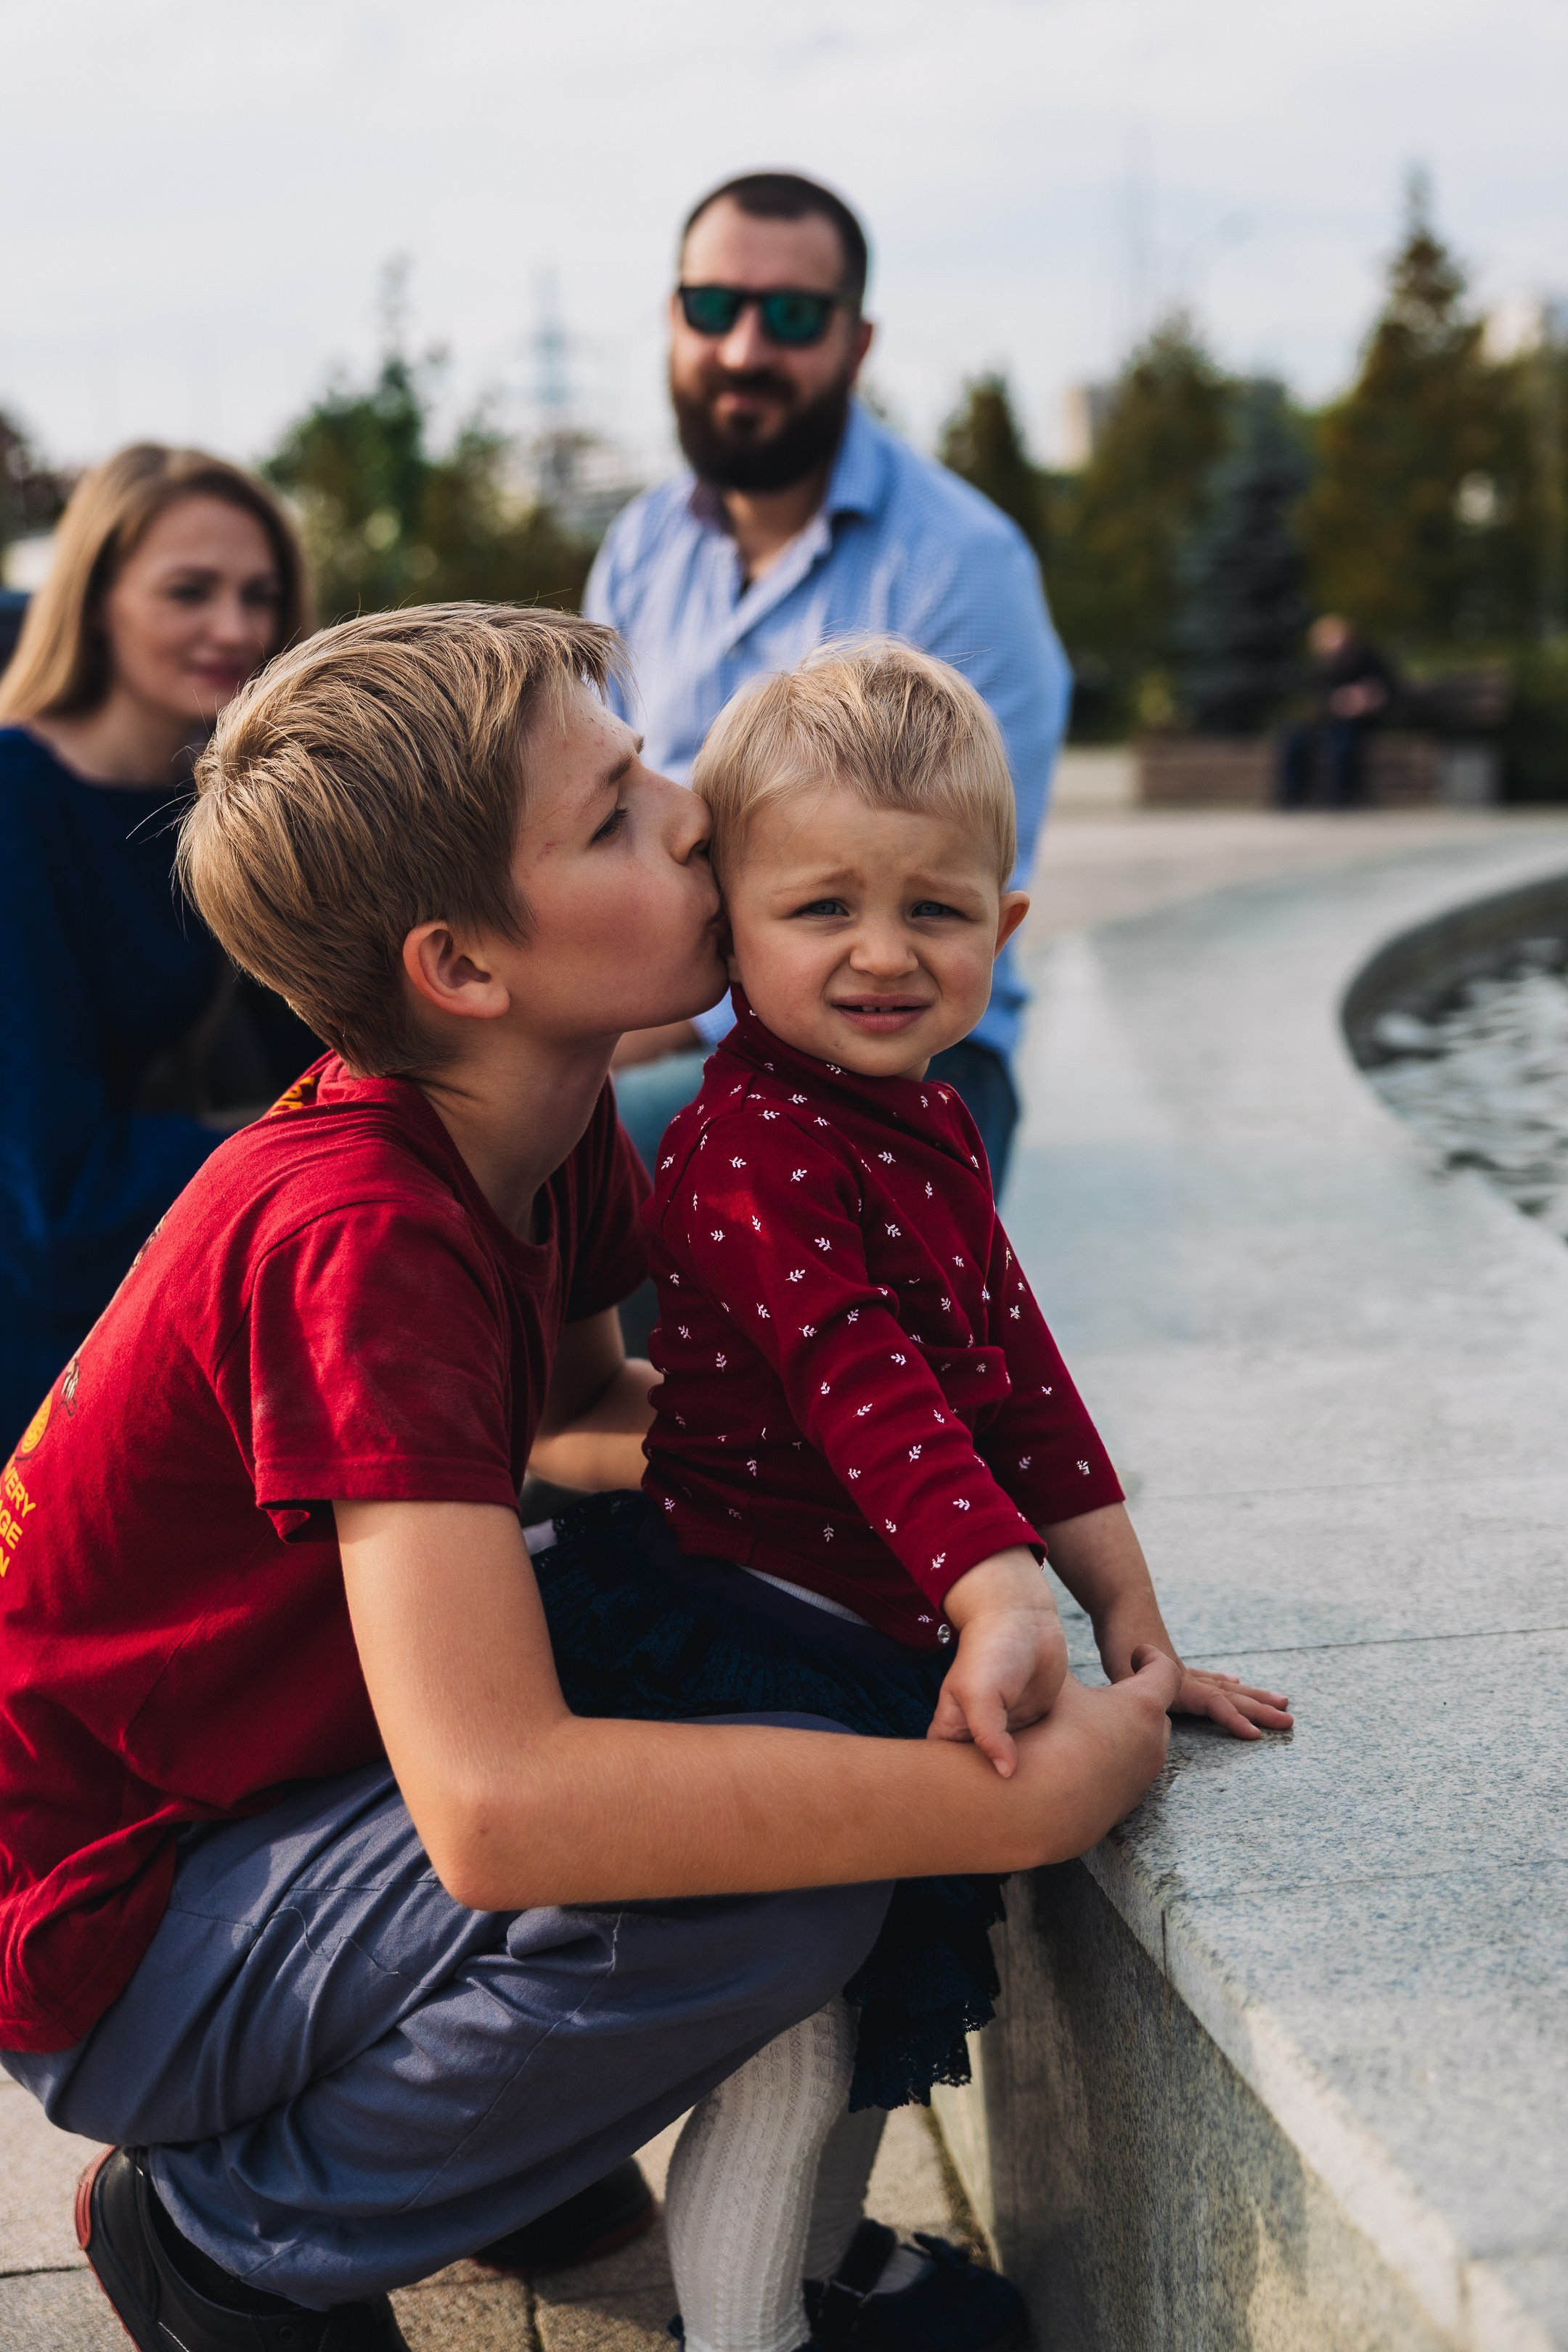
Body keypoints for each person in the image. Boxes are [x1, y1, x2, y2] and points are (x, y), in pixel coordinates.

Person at [0, 605, 1184, 2352]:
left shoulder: (527, 1147)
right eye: (618, 809)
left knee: (697, 1639)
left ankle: (497, 2149)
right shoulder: (361, 1237)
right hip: (117, 1922)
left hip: (254, 1800)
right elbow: (498, 1809)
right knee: (770, 1888)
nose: (695, 806)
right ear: (464, 968)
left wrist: (925, 1518)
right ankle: (229, 2227)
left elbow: (587, 1421)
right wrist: (1010, 1801)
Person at [532, 643, 1291, 2352]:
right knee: (791, 2027)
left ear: (1002, 933)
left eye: (933, 909)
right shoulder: (743, 1146)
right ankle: (749, 2328)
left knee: (883, 2009)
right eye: (821, 906)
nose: (882, 952)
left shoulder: (922, 1121)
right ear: (728, 915)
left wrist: (1134, 1621)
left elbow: (1015, 1376)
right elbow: (863, 1384)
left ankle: (821, 2263)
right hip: (743, 1634)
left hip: (877, 1628)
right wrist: (991, 1588)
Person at [587, 171, 1071, 1196]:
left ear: (856, 343)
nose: (745, 350)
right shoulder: (640, 549)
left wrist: (636, 1028)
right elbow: (596, 817)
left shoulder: (961, 567)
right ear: (674, 319)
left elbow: (943, 888)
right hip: (664, 1013)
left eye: (794, 316)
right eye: (713, 307)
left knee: (561, 1159)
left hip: (900, 1038)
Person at [0, 444, 317, 1450]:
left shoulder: (208, 803)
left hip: (126, 1266)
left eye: (259, 595)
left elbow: (312, 1048)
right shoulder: (15, 806)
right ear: (95, 598)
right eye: (191, 592)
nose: (236, 628)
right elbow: (62, 1193)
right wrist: (334, 1140)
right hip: (37, 1313)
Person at [1276, 613, 1399, 809]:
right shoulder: (1322, 667)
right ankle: (1292, 797)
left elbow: (1390, 691)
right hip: (1328, 721)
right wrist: (1336, 703)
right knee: (1293, 739)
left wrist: (1369, 699)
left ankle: (1340, 797)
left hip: (1363, 722)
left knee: (1343, 742)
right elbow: (1318, 700)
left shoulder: (1370, 660)